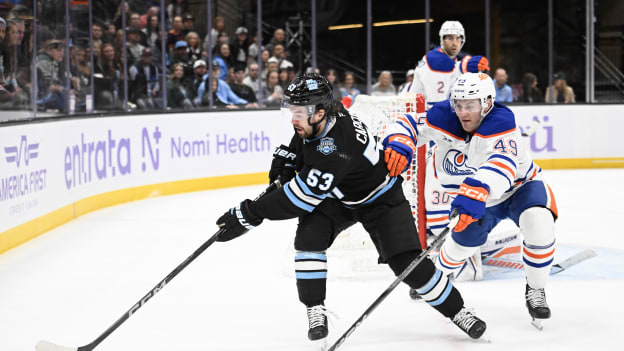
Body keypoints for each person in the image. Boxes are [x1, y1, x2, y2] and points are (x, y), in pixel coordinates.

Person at [214, 73, 487, 346]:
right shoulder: (328, 114)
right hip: (341, 194)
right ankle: (315, 308)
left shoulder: (335, 149)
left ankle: (459, 311)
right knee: (309, 238)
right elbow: (304, 140)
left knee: (408, 266)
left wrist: (250, 213)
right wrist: (289, 157)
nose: (294, 119)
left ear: (320, 112)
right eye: (293, 111)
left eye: (300, 112)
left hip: (382, 199)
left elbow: (299, 199)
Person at [383, 72, 557, 328]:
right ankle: (437, 277)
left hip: (519, 188)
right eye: (459, 104)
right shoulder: (444, 116)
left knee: (538, 223)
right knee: (461, 246)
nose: (463, 112)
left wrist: (477, 188)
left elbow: (503, 165)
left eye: (471, 105)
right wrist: (400, 139)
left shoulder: (501, 121)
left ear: (487, 103)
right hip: (476, 198)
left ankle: (536, 289)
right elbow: (407, 122)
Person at [404, 20, 490, 109]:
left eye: (458, 38)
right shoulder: (438, 60)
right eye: (450, 38)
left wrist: (465, 66)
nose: (455, 43)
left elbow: (451, 73)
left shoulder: (445, 58)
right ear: (442, 40)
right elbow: (437, 107)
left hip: (415, 109)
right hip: (413, 112)